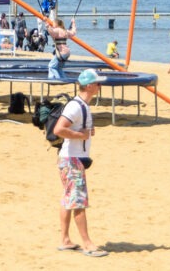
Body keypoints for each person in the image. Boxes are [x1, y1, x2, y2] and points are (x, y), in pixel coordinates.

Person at [55, 68, 108, 257]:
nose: (100, 86)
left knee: (68, 198)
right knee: (78, 200)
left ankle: (65, 240)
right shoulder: (76, 106)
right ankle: (87, 244)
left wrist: (85, 133)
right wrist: (81, 135)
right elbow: (59, 129)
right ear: (89, 86)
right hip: (71, 160)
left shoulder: (83, 105)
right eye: (98, 83)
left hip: (71, 159)